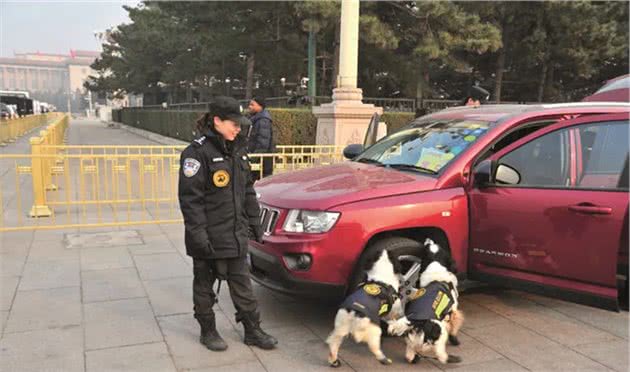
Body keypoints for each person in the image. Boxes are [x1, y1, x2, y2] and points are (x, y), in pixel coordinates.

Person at [178, 96, 278, 352]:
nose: (238, 128)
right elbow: (191, 201)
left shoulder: (238, 150)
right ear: (217, 121)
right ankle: (208, 330)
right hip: (208, 235)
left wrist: (254, 222)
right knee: (204, 286)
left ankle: (252, 330)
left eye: (240, 123)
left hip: (235, 233)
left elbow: (247, 191)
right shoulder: (196, 154)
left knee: (242, 284)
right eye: (233, 123)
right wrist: (198, 235)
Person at [247, 97, 275, 180]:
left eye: (252, 105)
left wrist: (253, 159)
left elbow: (263, 143)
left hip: (262, 161)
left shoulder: (263, 121)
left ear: (260, 106)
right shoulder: (256, 119)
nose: (249, 106)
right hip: (259, 159)